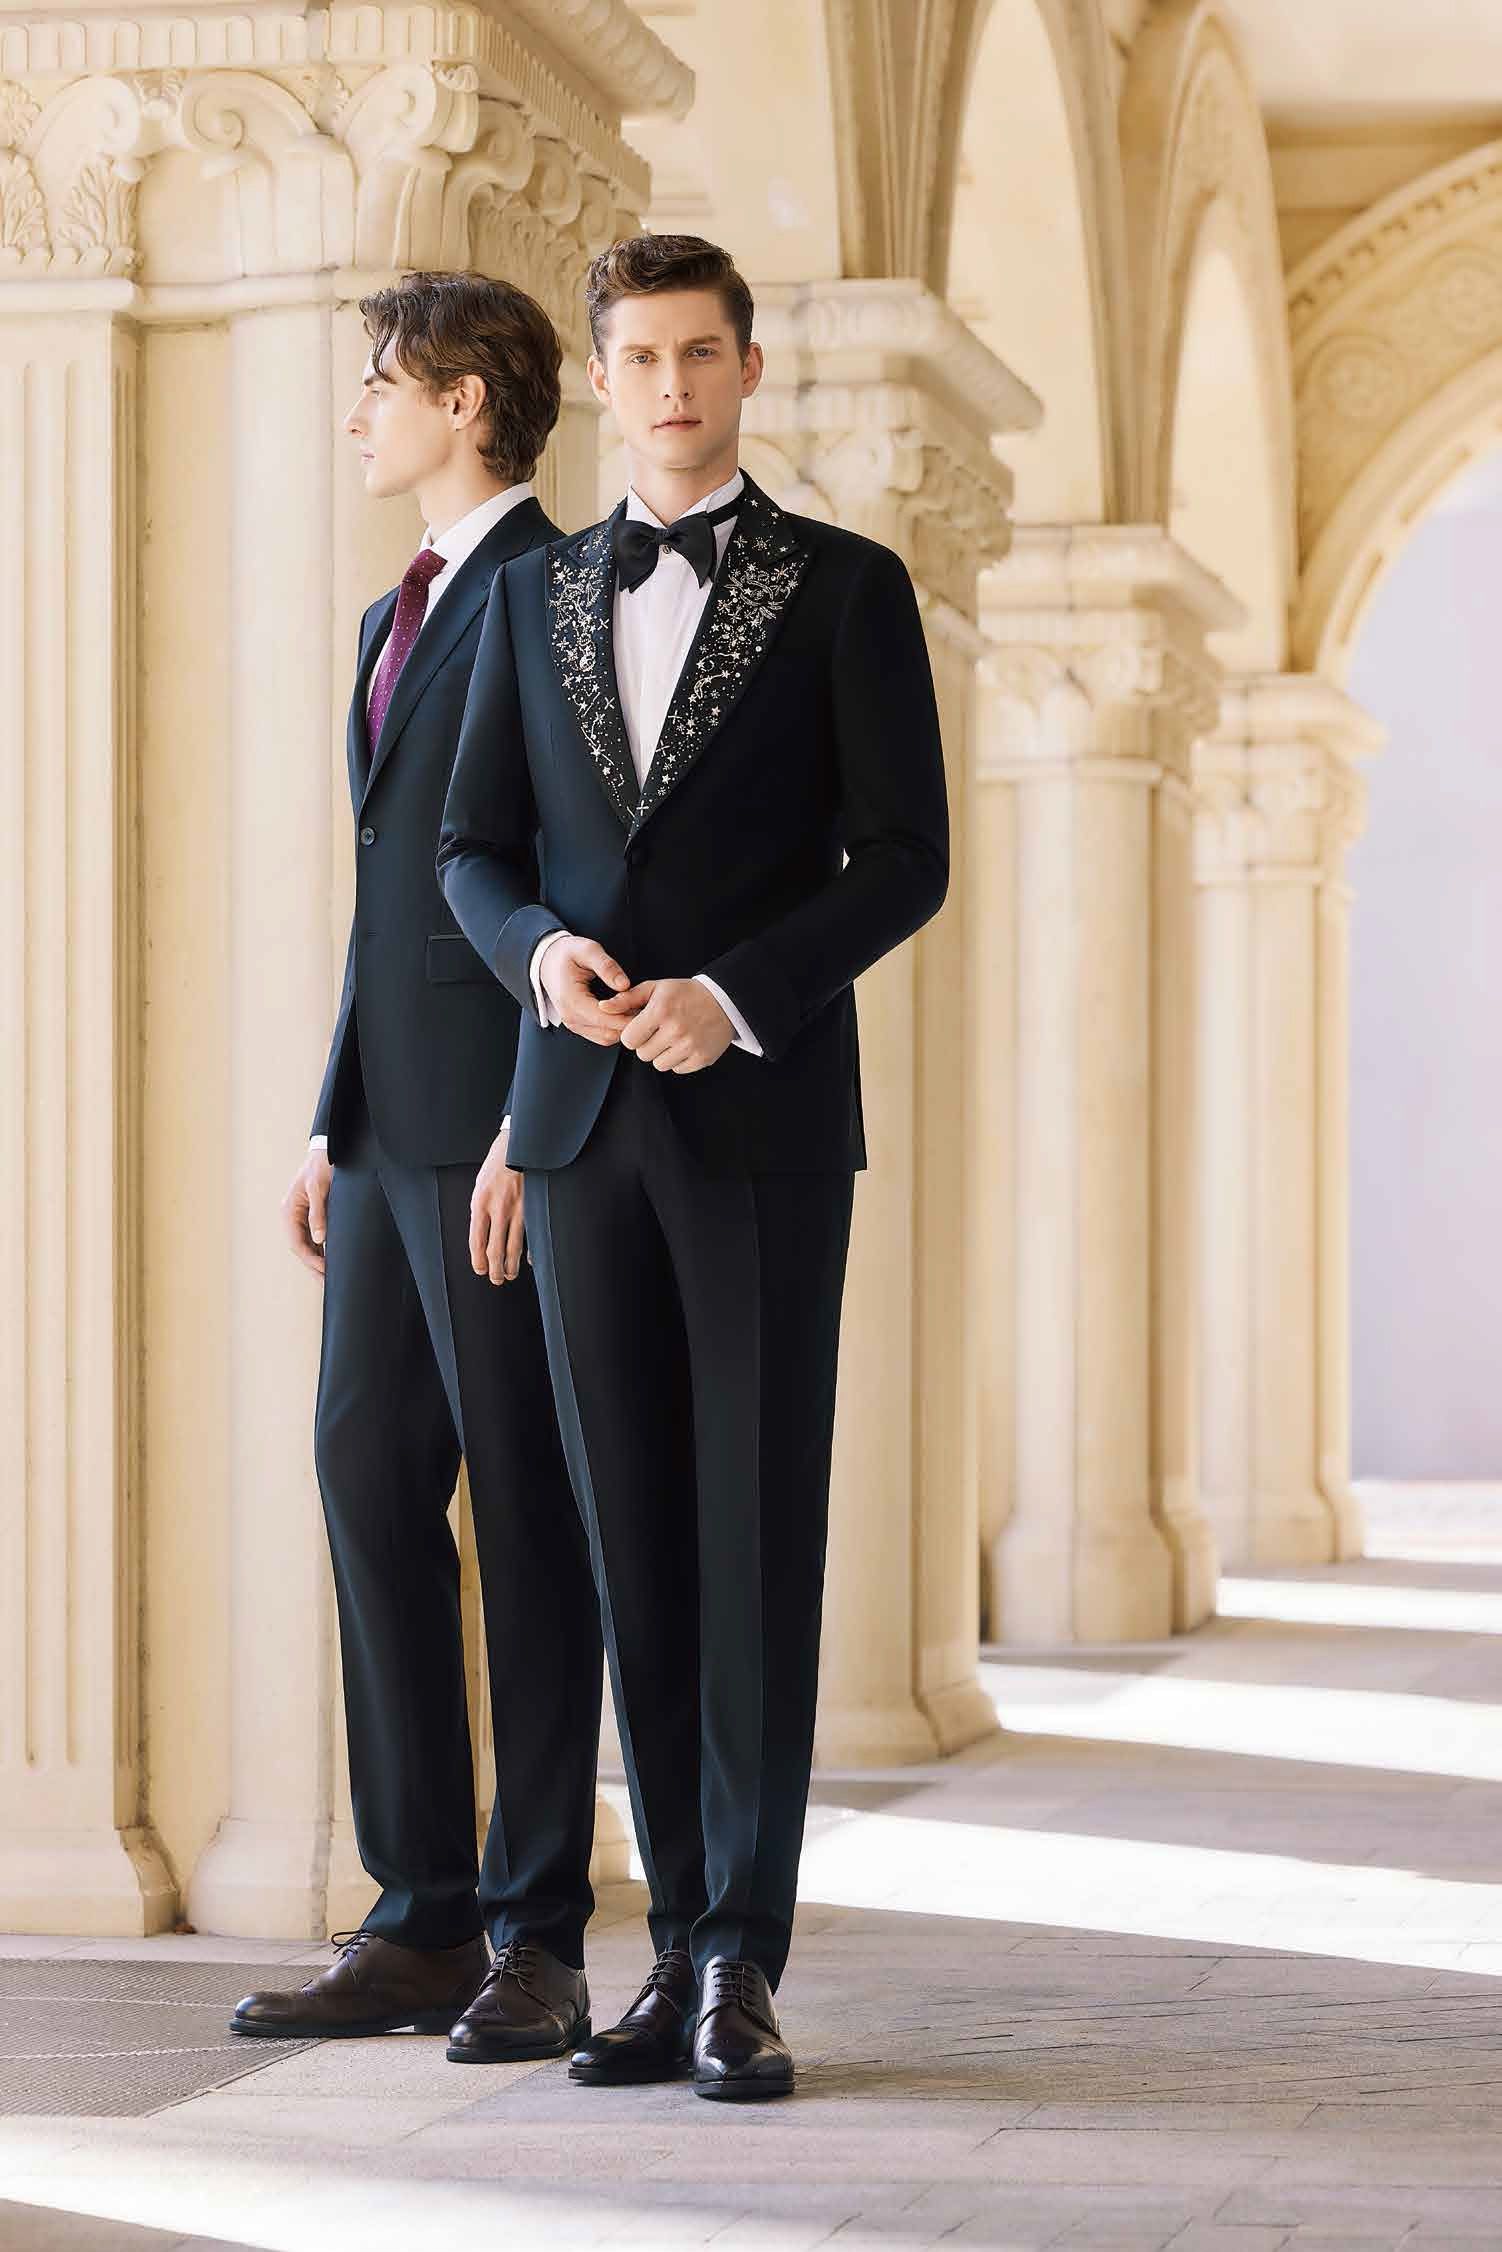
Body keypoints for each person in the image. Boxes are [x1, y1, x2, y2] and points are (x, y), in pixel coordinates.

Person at [438, 234, 949, 2099]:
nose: (670, 386)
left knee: (752, 1535)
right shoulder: (532, 597)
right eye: (641, 357)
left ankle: (740, 1958)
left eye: (700, 354)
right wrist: (539, 962)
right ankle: (665, 1960)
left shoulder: (846, 588)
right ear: (604, 376)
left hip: (757, 1125)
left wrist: (733, 999)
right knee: (632, 1540)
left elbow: (906, 857)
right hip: (578, 1123)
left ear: (747, 369)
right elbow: (472, 850)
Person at [231, 273, 602, 2064]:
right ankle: (419, 1912)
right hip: (388, 1138)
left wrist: (538, 1117)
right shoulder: (405, 607)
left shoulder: (558, 594)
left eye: (382, 384)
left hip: (499, 1139)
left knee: (524, 1512)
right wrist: (333, 1114)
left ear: (466, 403)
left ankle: (538, 1934)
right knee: (367, 1479)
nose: (358, 411)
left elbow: (573, 881)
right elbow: (393, 893)